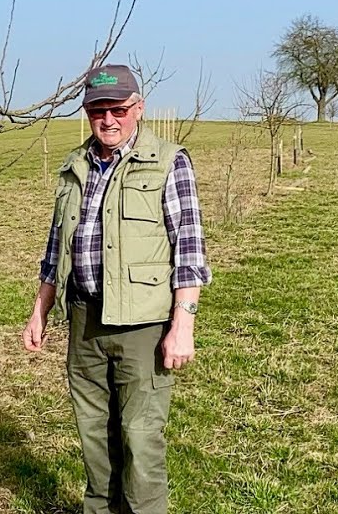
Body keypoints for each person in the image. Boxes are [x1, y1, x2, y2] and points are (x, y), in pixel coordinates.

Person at [22, 63, 211, 514]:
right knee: (93, 433)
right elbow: (56, 247)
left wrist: (182, 324)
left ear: (138, 109)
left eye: (118, 110)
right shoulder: (75, 166)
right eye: (97, 111)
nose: (108, 120)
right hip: (84, 320)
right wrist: (40, 310)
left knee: (140, 437)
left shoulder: (168, 161)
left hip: (142, 325)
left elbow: (189, 247)